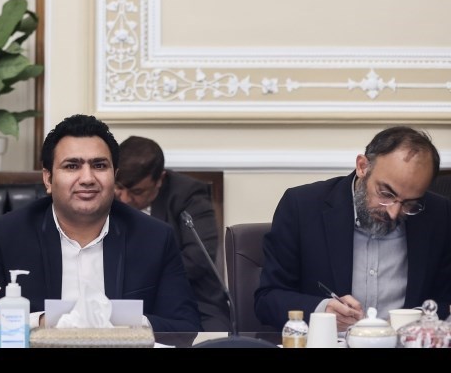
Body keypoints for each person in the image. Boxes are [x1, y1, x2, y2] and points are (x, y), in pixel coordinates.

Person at [0, 114, 202, 333]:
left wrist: (126, 322)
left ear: (114, 176)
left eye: (99, 166)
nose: (87, 178)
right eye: (72, 166)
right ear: (48, 179)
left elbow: (186, 328)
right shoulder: (7, 235)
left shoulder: (154, 237)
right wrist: (41, 321)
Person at [255, 125, 451, 332]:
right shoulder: (302, 206)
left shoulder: (439, 214)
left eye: (409, 203)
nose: (393, 212)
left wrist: (418, 319)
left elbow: (445, 299)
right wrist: (322, 311)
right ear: (362, 166)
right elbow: (267, 299)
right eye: (386, 194)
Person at [115, 136, 231, 331]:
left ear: (160, 179)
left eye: (137, 192)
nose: (125, 199)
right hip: (123, 301)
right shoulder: (104, 195)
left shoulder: (188, 194)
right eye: (119, 188)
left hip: (192, 299)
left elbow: (198, 258)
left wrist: (145, 280)